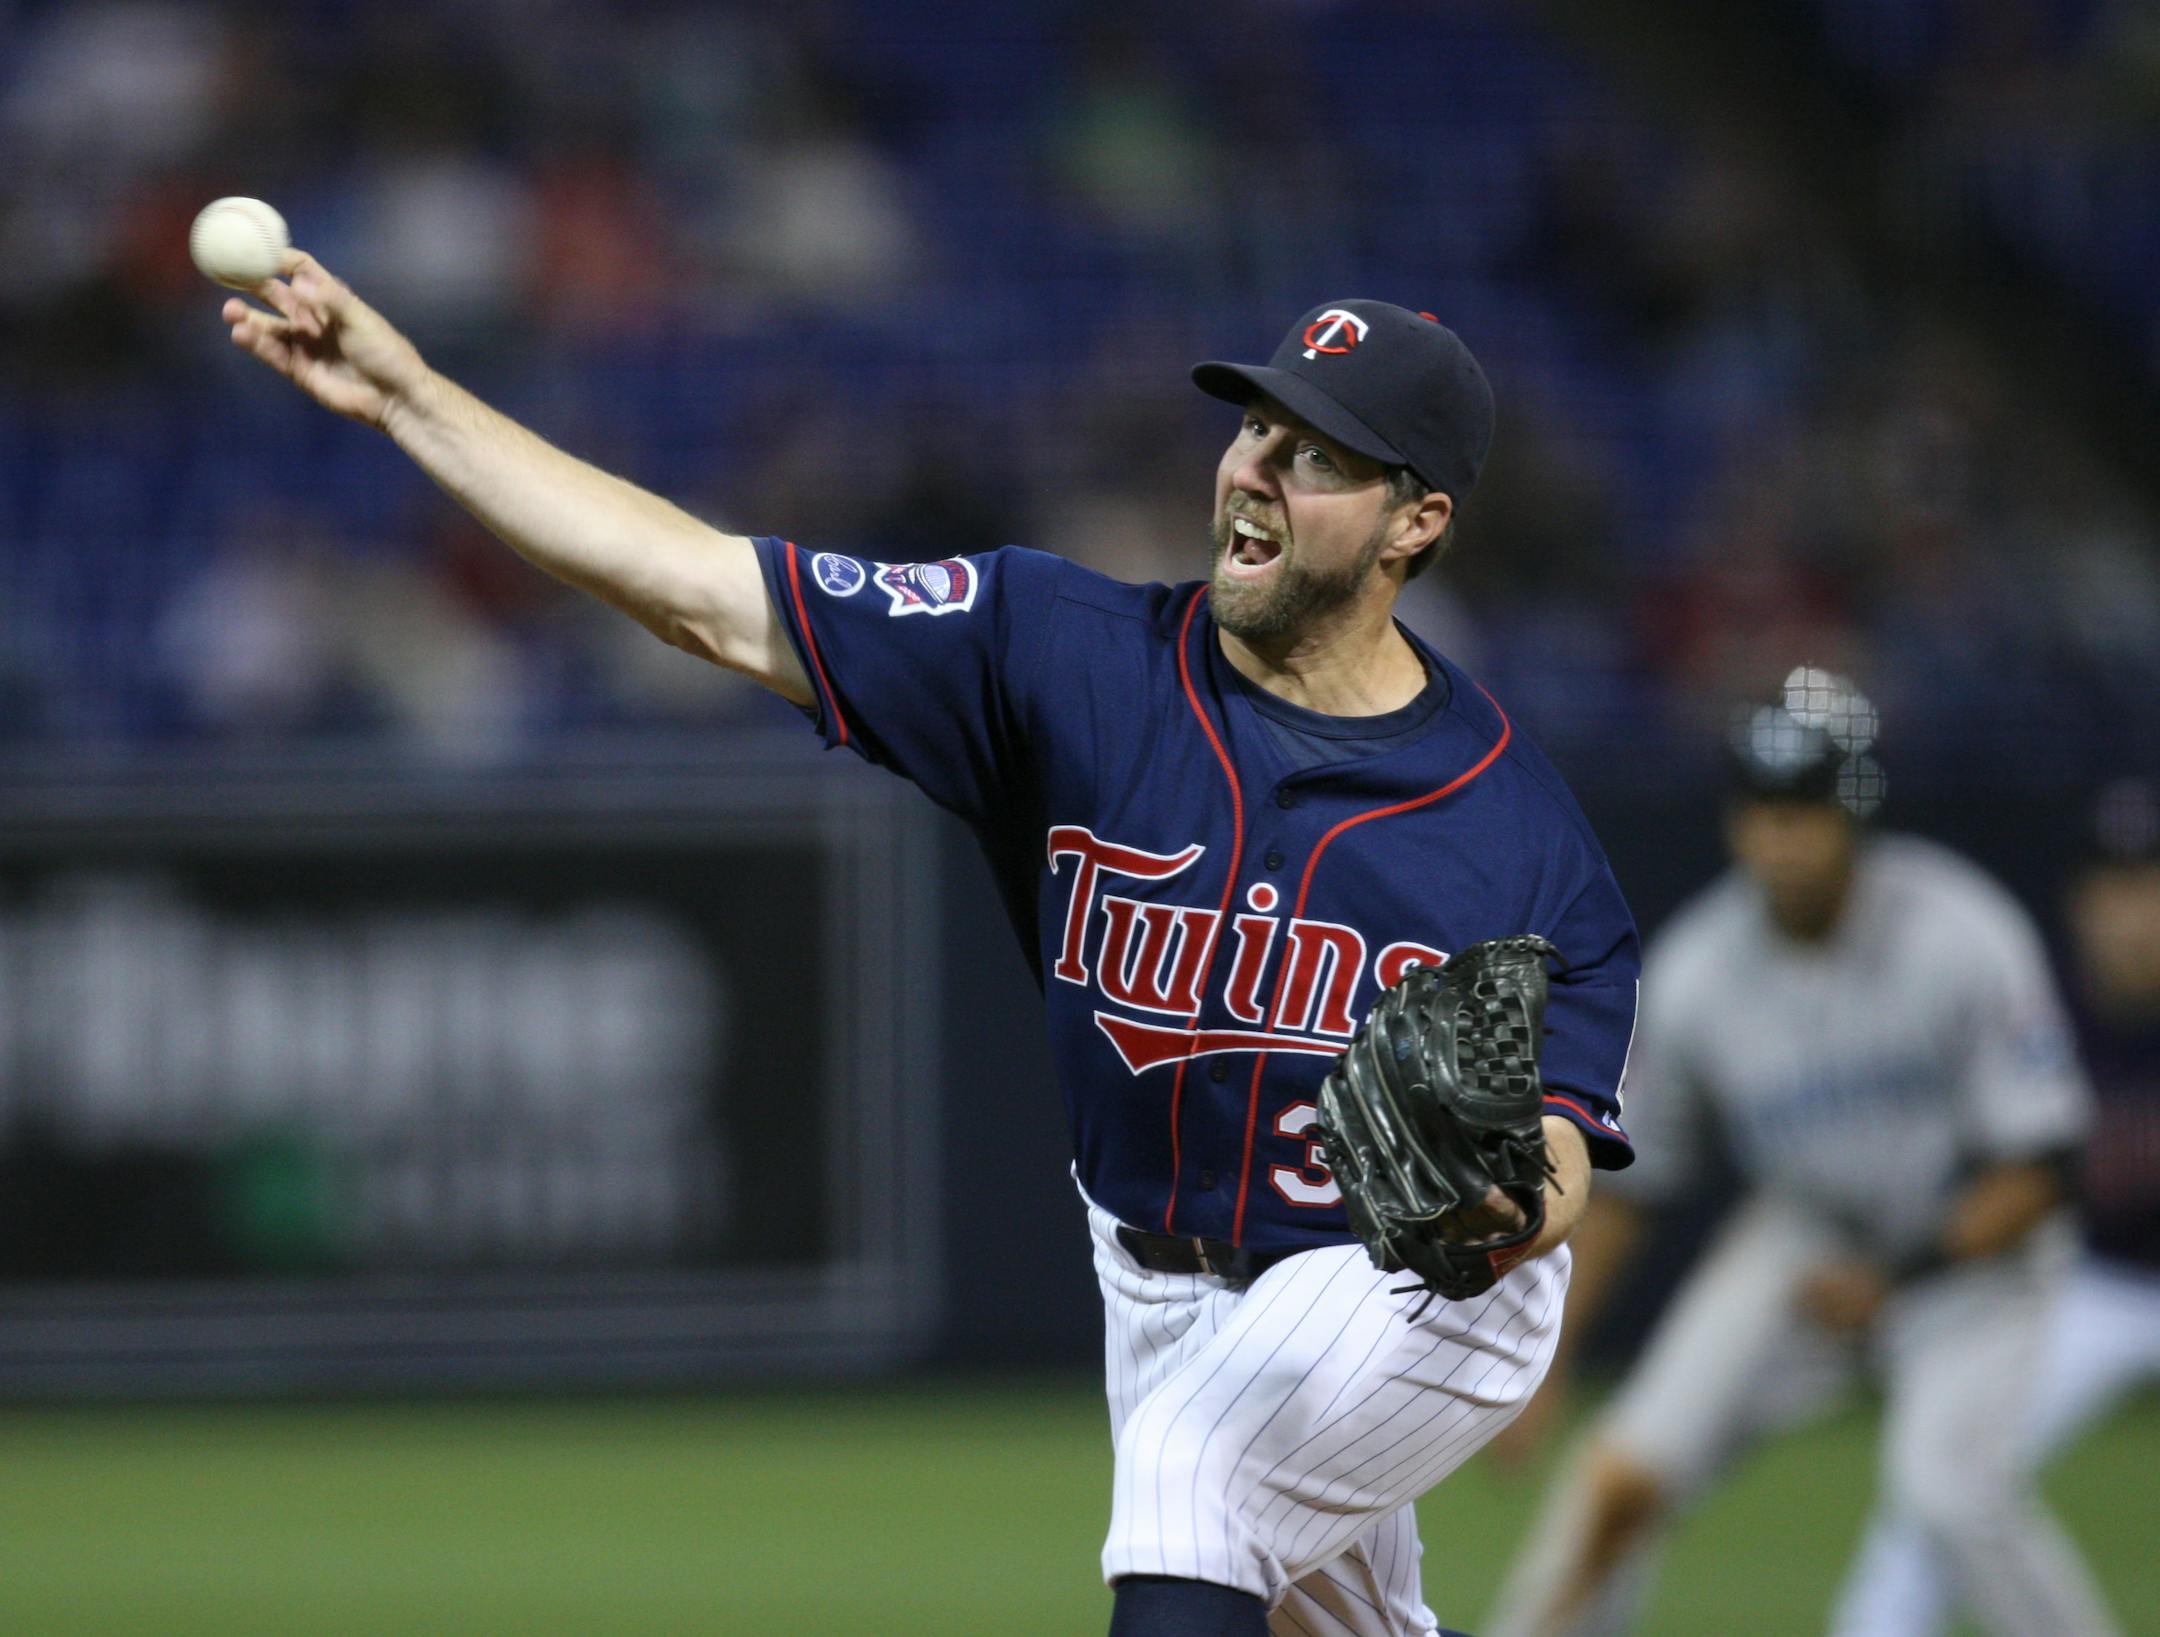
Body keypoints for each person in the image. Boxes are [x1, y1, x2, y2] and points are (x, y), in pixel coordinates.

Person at [221, 261, 1643, 1637]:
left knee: (1193, 1483)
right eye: (1256, 427)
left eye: (1321, 456)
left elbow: (1565, 1153)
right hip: (1155, 1280)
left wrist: (1505, 1206)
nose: (1257, 470)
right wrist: (411, 398)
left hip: (1415, 1283)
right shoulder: (1059, 654)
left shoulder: (1518, 837)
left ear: (1416, 521)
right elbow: (702, 590)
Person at [1482, 671, 2121, 1637]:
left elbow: (2043, 1165)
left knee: (1949, 1495)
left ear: (1852, 811)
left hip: (1971, 1253)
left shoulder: (1958, 928)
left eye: (1806, 808)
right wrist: (1547, 1360)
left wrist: (1902, 1273)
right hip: (1807, 1238)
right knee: (1620, 1475)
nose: (1780, 835)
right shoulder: (1702, 966)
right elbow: (1629, 1189)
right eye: (1762, 808)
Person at [1828, 777, 2160, 1636]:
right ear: (2082, 899)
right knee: (1940, 1488)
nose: (2134, 910)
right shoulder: (2030, 1000)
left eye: (2151, 883)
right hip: (2089, 1280)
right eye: (2116, 884)